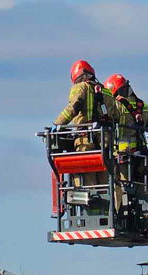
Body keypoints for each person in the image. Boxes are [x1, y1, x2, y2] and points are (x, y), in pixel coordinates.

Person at [53, 60, 115, 191]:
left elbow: (73, 108)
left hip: (85, 139)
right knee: (104, 179)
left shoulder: (80, 87)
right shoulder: (107, 92)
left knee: (86, 178)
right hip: (105, 140)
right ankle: (105, 205)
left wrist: (57, 124)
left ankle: (92, 207)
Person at [104, 73, 148, 214]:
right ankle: (146, 214)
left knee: (122, 186)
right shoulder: (143, 105)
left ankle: (121, 214)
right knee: (142, 185)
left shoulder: (116, 105)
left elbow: (105, 119)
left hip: (123, 155)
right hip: (141, 154)